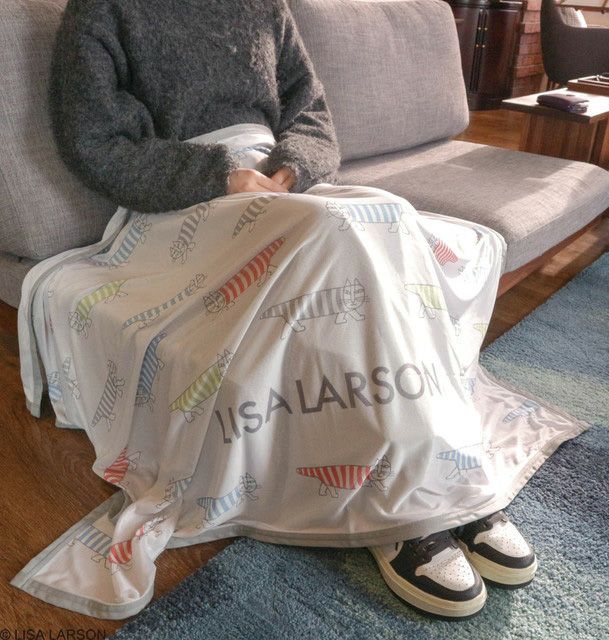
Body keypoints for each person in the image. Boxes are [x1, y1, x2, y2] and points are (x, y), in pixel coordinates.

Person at [46, 0, 539, 619]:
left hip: (286, 190)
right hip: (181, 205)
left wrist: (295, 165)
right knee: (335, 232)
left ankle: (437, 464)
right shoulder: (102, 8)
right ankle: (405, 499)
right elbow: (94, 143)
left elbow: (311, 111)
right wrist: (219, 175)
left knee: (390, 217)